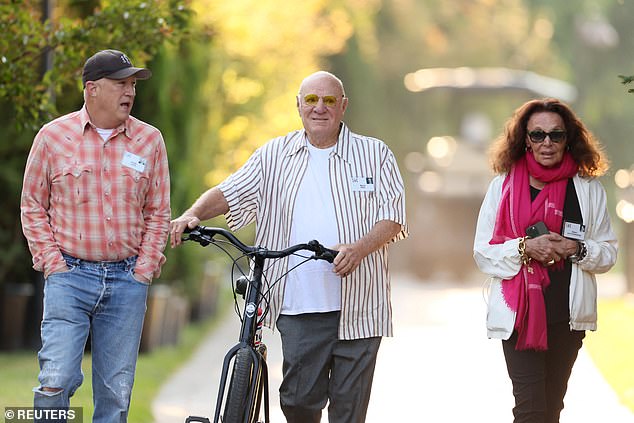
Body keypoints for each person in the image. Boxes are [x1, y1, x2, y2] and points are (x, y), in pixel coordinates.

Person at [170, 71, 407, 423]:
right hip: (299, 305)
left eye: (329, 100)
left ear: (343, 106)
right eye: (311, 100)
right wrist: (193, 213)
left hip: (360, 305)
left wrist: (358, 249)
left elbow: (393, 216)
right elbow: (229, 191)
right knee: (298, 402)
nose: (320, 108)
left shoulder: (375, 154)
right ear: (298, 106)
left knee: (349, 412)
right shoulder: (273, 155)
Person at [20, 49, 171, 422]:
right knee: (55, 381)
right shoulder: (52, 138)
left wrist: (144, 270)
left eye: (133, 84)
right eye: (121, 83)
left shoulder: (149, 141)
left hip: (126, 282)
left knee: (115, 396)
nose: (130, 91)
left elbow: (158, 212)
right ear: (92, 89)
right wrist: (53, 265)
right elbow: (32, 206)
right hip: (68, 279)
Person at [473, 98, 618, 422]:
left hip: (567, 319)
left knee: (552, 408)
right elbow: (483, 253)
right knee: (530, 410)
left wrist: (575, 249)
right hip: (519, 317)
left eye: (556, 134)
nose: (547, 143)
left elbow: (608, 252)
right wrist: (525, 248)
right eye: (537, 135)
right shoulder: (503, 187)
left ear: (570, 138)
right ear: (525, 138)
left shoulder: (588, 189)